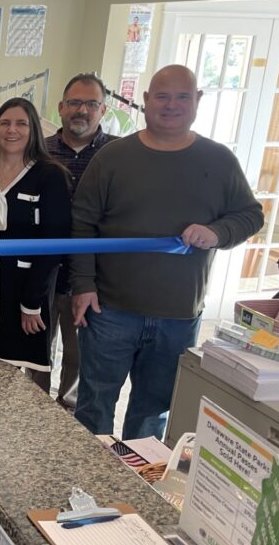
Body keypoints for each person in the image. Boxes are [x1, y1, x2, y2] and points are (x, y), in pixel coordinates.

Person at [71, 65, 262, 440]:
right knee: (94, 406)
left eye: (182, 97)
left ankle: (137, 489)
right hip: (109, 310)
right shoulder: (112, 157)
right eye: (162, 96)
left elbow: (250, 215)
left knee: (152, 413)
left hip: (178, 316)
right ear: (145, 101)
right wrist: (83, 284)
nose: (171, 105)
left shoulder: (219, 160)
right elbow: (82, 224)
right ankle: (87, 488)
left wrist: (216, 232)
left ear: (197, 102)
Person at [0, 98, 71, 376]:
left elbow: (52, 245)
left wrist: (31, 303)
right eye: (5, 123)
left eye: (21, 123)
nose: (12, 130)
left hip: (23, 296)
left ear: (33, 130)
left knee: (16, 383)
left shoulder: (50, 176)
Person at [43, 74, 113, 409]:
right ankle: (34, 412)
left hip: (90, 276)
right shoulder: (39, 149)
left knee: (78, 355)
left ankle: (67, 412)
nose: (81, 110)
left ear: (103, 110)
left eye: (90, 104)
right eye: (74, 103)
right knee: (37, 350)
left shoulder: (118, 153)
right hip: (42, 271)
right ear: (61, 108)